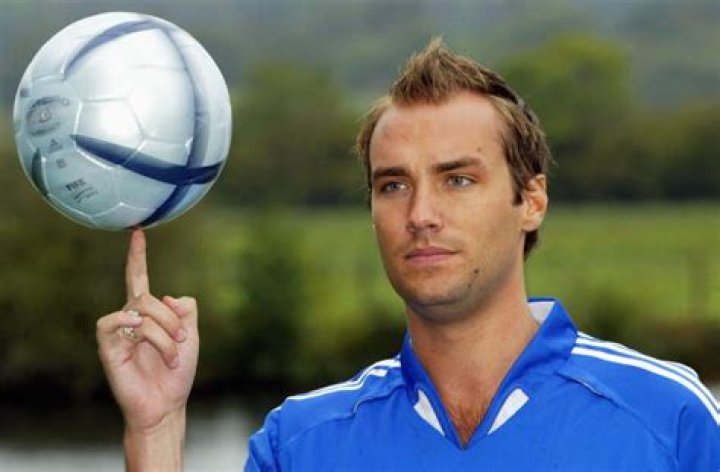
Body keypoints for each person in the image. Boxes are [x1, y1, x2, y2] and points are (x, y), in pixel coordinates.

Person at [97, 39, 719, 471]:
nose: (420, 214)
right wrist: (156, 431)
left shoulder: (669, 419)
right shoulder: (303, 444)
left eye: (458, 179)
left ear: (531, 201)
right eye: (393, 185)